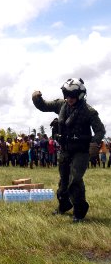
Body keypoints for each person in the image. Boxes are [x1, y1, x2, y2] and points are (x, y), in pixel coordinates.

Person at [32, 78, 105, 222]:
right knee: (63, 181)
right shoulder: (61, 105)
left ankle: (79, 211)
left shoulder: (89, 111)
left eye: (72, 95)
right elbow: (44, 105)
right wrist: (36, 99)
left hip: (81, 151)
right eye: (67, 94)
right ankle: (64, 205)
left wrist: (94, 143)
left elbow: (100, 130)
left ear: (80, 95)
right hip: (65, 149)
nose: (69, 98)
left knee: (75, 180)